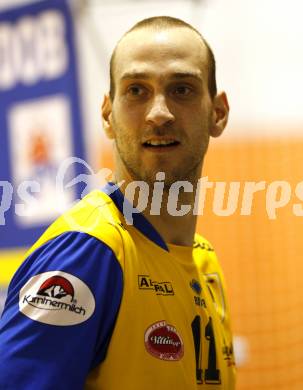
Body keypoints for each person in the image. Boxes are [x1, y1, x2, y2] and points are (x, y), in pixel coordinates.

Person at [0, 16, 235, 389]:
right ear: (108, 115)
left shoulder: (205, 262)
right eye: (137, 91)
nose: (159, 113)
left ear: (218, 113)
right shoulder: (88, 251)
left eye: (182, 89)